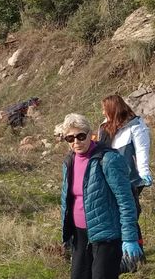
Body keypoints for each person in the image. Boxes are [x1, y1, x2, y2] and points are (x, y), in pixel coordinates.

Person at [60, 113, 141, 278]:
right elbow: (69, 198)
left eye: (81, 136)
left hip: (107, 236)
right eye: (70, 138)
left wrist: (129, 238)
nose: (76, 142)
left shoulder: (108, 159)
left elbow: (126, 200)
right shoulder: (69, 161)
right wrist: (67, 231)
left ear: (90, 134)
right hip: (79, 235)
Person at [98, 94, 151, 260]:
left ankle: (136, 253)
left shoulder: (135, 125)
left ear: (113, 109)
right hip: (111, 176)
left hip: (131, 178)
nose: (102, 112)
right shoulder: (105, 127)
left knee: (130, 212)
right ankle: (122, 251)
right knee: (117, 212)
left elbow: (142, 150)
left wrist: (144, 172)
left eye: (105, 109)